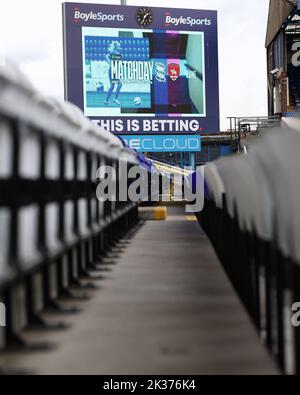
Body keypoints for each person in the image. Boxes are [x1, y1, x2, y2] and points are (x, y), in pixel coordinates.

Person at [104, 41, 122, 106]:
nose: (120, 47)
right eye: (119, 46)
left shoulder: (117, 52)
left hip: (114, 70)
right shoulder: (114, 52)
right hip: (112, 70)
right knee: (119, 84)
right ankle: (115, 98)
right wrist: (110, 63)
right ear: (116, 46)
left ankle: (106, 100)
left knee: (113, 86)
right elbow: (106, 56)